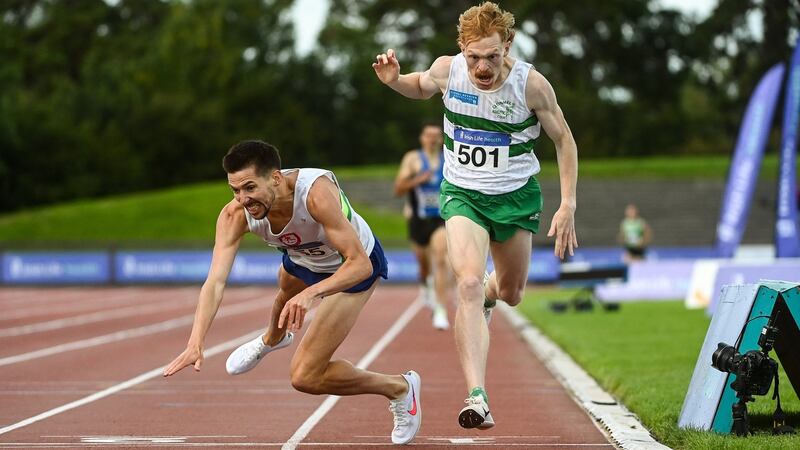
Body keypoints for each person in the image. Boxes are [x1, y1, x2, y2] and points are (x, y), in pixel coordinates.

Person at [372, 2, 578, 430]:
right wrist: (395, 81)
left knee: (511, 291)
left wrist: (568, 203)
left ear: (509, 45)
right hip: (463, 193)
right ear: (461, 49)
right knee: (465, 281)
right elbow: (419, 84)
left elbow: (565, 141)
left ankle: (489, 294)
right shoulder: (449, 70)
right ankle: (478, 397)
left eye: (492, 55)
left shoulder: (532, 86)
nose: (482, 67)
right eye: (474, 56)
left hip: (516, 198)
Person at [162, 140, 422, 445]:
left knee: (305, 378)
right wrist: (196, 341)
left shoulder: (315, 195)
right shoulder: (235, 215)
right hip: (302, 258)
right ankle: (273, 338)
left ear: (275, 178)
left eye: (249, 187)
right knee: (285, 291)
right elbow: (215, 282)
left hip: (350, 266)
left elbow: (359, 264)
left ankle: (400, 388)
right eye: (235, 190)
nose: (242, 199)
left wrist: (311, 294)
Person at [393, 122, 452, 330]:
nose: (433, 139)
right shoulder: (413, 159)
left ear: (442, 139)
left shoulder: (450, 158)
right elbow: (398, 189)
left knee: (441, 257)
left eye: (437, 135)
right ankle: (426, 284)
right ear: (422, 138)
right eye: (428, 135)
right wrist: (418, 179)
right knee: (423, 263)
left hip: (441, 218)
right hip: (418, 219)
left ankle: (441, 310)